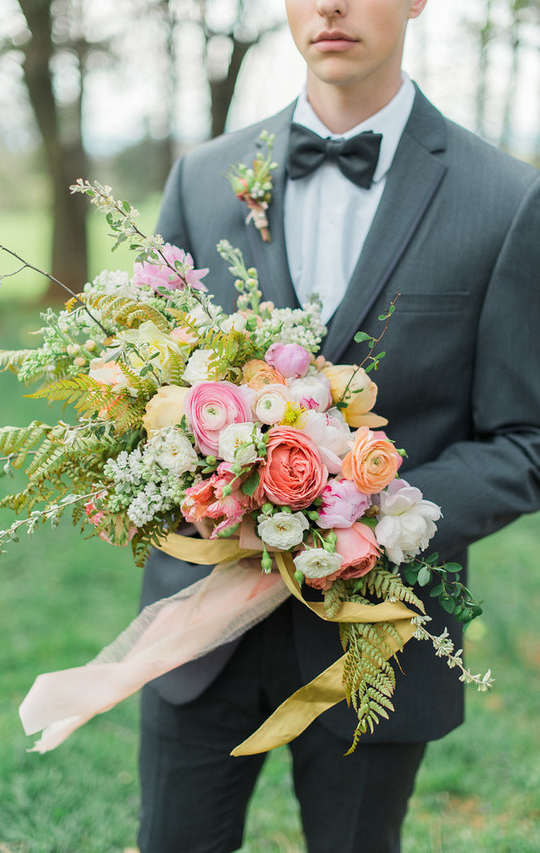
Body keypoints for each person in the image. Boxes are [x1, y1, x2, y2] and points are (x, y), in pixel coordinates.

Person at [137, 1, 540, 851]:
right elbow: (145, 394)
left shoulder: (505, 197)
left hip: (377, 640)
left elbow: (525, 439)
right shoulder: (203, 175)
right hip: (197, 632)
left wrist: (368, 512)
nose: (331, 4)